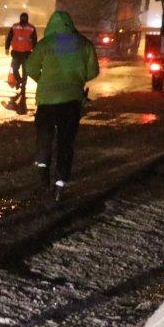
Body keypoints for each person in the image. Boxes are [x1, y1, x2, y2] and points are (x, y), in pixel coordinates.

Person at [25, 10, 100, 201]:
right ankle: (60, 185)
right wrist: (77, 79)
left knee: (44, 140)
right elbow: (93, 71)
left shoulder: (44, 45)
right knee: (65, 142)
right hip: (71, 102)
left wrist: (44, 81)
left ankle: (43, 182)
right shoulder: (84, 44)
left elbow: (30, 67)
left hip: (47, 102)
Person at [6, 12, 37, 100]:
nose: (23, 19)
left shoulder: (31, 28)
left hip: (26, 53)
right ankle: (19, 81)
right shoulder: (14, 26)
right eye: (22, 18)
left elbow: (34, 40)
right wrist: (6, 48)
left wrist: (35, 51)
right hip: (16, 52)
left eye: (24, 18)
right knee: (14, 68)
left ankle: (23, 86)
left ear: (27, 18)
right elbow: (9, 37)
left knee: (25, 71)